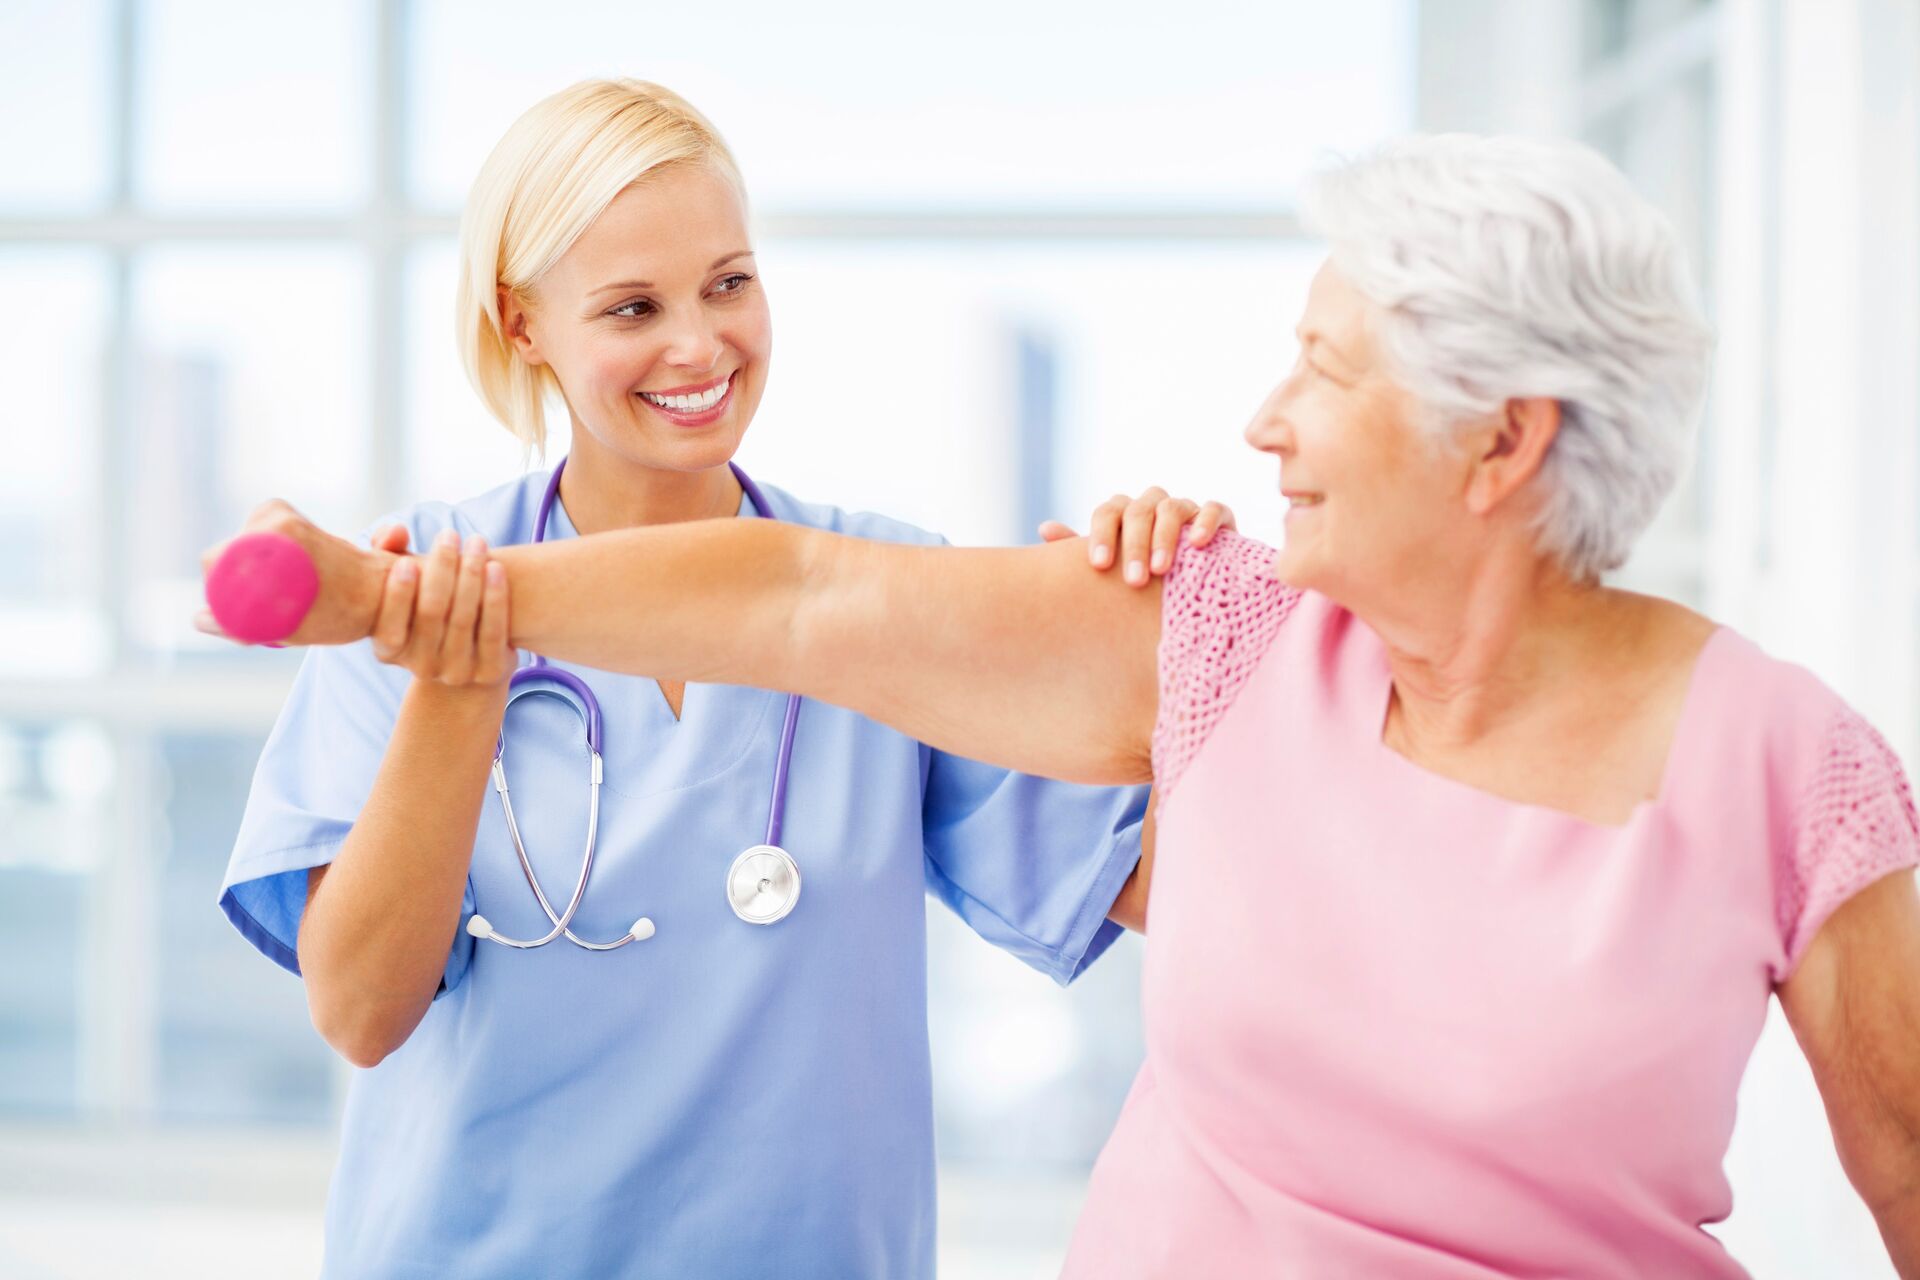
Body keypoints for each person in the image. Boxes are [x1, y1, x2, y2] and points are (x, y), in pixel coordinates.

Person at [215, 133, 1920, 1277]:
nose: (1260, 423)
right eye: (635, 301)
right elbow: (798, 598)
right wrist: (402, 610)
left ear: (1504, 440)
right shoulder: (1223, 641)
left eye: (1320, 374)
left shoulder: (1788, 767)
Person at [212, 78, 1233, 1280]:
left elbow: (1192, 894)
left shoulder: (888, 586)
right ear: (522, 323)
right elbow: (362, 1011)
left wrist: (1183, 624)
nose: (700, 344)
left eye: (729, 282)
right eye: (633, 306)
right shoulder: (417, 587)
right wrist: (457, 676)